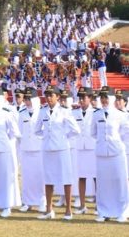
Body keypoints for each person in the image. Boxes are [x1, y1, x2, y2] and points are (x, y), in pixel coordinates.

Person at [34, 87, 80, 220]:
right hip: (48, 148)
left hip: (61, 148)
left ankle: (68, 210)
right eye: (47, 95)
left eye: (51, 95)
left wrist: (63, 136)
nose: (48, 98)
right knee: (48, 180)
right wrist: (47, 136)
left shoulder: (64, 111)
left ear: (58, 97)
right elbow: (37, 130)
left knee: (66, 179)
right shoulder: (43, 111)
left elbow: (76, 130)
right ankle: (49, 209)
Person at [91, 90, 129, 222]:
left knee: (120, 182)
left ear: (112, 98)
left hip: (116, 152)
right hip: (102, 153)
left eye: (106, 97)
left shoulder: (119, 115)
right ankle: (103, 211)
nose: (104, 100)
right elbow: (93, 132)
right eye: (102, 97)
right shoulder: (96, 114)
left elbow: (125, 134)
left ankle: (123, 212)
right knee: (103, 184)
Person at [17, 88, 46, 212]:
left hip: (39, 148)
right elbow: (19, 131)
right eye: (26, 99)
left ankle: (42, 201)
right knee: (27, 176)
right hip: (26, 148)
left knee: (40, 176)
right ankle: (27, 202)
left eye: (29, 99)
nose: (27, 101)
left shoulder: (42, 111)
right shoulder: (22, 112)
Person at [70, 88, 96, 215]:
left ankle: (99, 206)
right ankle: (82, 205)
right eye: (80, 98)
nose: (81, 100)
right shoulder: (75, 113)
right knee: (81, 177)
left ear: (90, 99)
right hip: (80, 148)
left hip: (93, 148)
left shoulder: (96, 112)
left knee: (96, 178)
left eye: (84, 98)